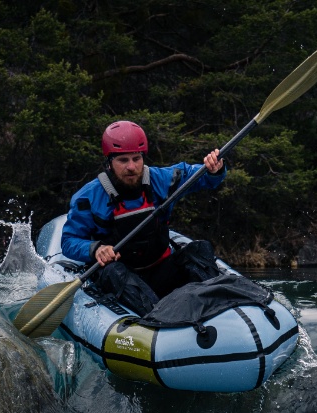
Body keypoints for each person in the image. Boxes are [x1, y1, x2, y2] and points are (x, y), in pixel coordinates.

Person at [60, 120, 227, 317]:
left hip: (160, 269)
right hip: (122, 278)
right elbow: (69, 241)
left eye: (136, 159)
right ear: (109, 162)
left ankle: (219, 311)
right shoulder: (87, 197)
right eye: (123, 160)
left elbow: (201, 177)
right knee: (113, 272)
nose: (131, 167)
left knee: (199, 250)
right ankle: (156, 320)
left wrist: (214, 169)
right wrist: (95, 249)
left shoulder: (162, 179)